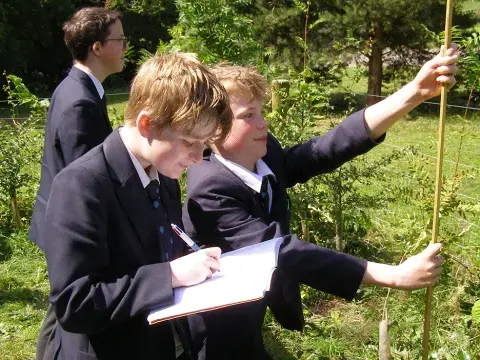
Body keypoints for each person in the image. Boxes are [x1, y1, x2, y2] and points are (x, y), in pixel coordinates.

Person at [182, 45, 458, 359]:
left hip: (250, 306)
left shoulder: (262, 152)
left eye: (261, 111)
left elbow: (324, 149)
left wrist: (414, 92)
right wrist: (393, 275)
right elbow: (281, 251)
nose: (263, 123)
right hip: (215, 322)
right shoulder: (210, 188)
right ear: (214, 128)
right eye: (248, 115)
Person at [41, 52, 231, 360]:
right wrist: (169, 275)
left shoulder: (164, 172)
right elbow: (74, 304)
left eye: (206, 144)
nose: (199, 158)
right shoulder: (81, 185)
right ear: (147, 124)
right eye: (190, 141)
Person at [30, 8, 128, 359]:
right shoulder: (80, 103)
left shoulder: (78, 87)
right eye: (120, 39)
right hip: (68, 226)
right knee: (66, 309)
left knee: (58, 313)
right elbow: (83, 180)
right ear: (98, 47)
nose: (125, 46)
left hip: (52, 217)